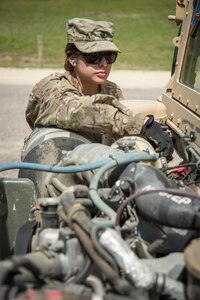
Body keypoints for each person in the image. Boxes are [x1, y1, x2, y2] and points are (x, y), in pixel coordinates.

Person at [25, 17, 173, 161]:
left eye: (109, 56)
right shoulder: (52, 87)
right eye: (94, 56)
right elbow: (74, 111)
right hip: (54, 163)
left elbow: (117, 131)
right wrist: (141, 125)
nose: (103, 63)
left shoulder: (112, 90)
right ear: (72, 58)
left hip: (97, 162)